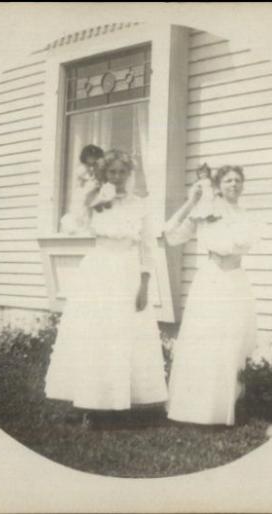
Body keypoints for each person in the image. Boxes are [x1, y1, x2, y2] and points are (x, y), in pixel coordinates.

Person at [45, 149, 168, 427]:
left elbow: (148, 247)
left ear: (129, 174)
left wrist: (145, 285)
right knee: (94, 333)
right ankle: (88, 400)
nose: (118, 176)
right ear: (104, 174)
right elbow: (72, 226)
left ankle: (118, 402)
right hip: (98, 270)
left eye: (122, 172)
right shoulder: (97, 199)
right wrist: (88, 197)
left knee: (122, 334)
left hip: (127, 272)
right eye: (112, 171)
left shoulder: (140, 205)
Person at [164, 164, 259, 426]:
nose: (233, 185)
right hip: (211, 279)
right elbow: (170, 234)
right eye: (228, 180)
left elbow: (244, 244)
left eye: (238, 180)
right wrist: (192, 202)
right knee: (204, 341)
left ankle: (224, 409)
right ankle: (193, 410)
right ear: (218, 185)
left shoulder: (245, 216)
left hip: (235, 281)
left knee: (230, 343)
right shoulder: (206, 211)